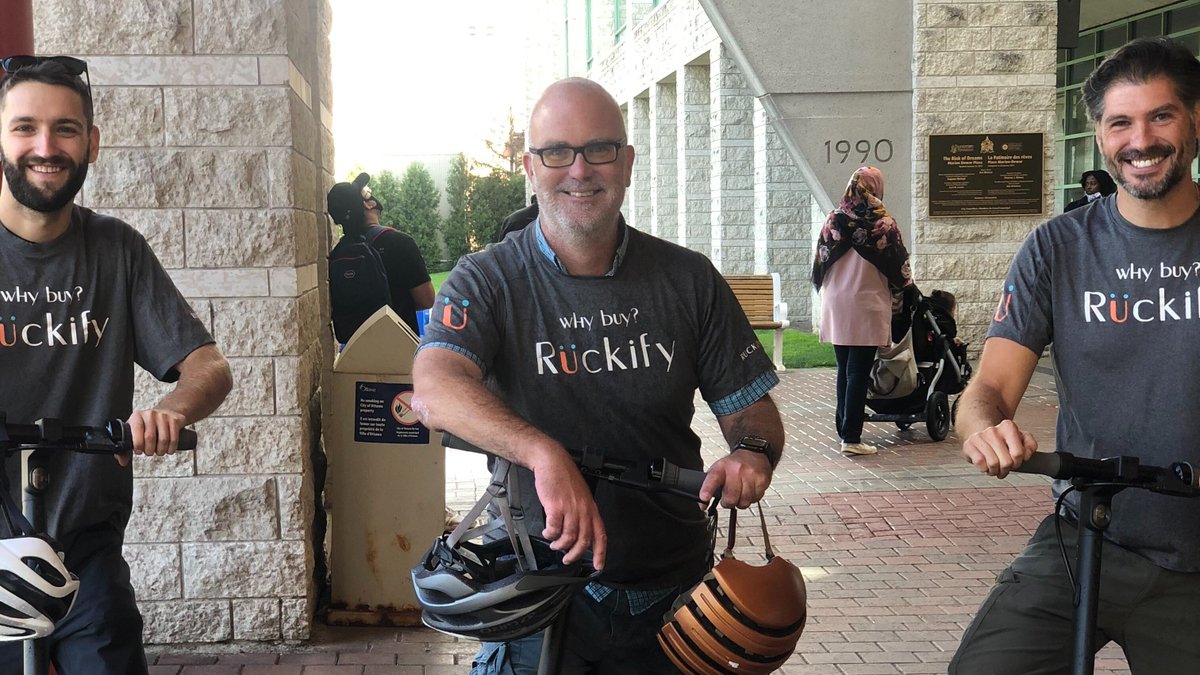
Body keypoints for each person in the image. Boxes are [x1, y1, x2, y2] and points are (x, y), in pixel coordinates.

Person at [411, 77, 784, 674]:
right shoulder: (487, 279)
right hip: (542, 599)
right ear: (530, 170)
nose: (579, 170)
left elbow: (751, 410)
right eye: (556, 152)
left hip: (677, 602)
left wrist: (753, 454)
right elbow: (434, 389)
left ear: (627, 163)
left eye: (599, 149)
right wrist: (543, 454)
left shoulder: (689, 279)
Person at [951, 36, 1200, 674]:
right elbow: (988, 389)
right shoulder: (1058, 249)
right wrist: (984, 429)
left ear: (1197, 119)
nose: (1140, 140)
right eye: (1120, 123)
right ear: (1099, 136)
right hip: (1090, 530)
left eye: (1161, 116)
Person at [0, 56, 232, 673]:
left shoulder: (116, 250)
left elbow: (208, 366)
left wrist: (169, 412)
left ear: (92, 144)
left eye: (66, 129)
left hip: (85, 549)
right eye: (24, 127)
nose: (45, 146)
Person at [811, 166, 912, 456]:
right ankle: (852, 437)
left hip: (837, 302)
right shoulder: (883, 224)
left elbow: (820, 263)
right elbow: (900, 270)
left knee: (844, 369)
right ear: (875, 188)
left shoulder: (835, 219)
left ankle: (843, 426)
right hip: (866, 303)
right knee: (858, 371)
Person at [362, 193, 434, 335]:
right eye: (364, 192)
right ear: (368, 204)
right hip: (399, 343)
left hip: (355, 346)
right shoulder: (400, 242)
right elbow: (427, 300)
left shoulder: (339, 251)